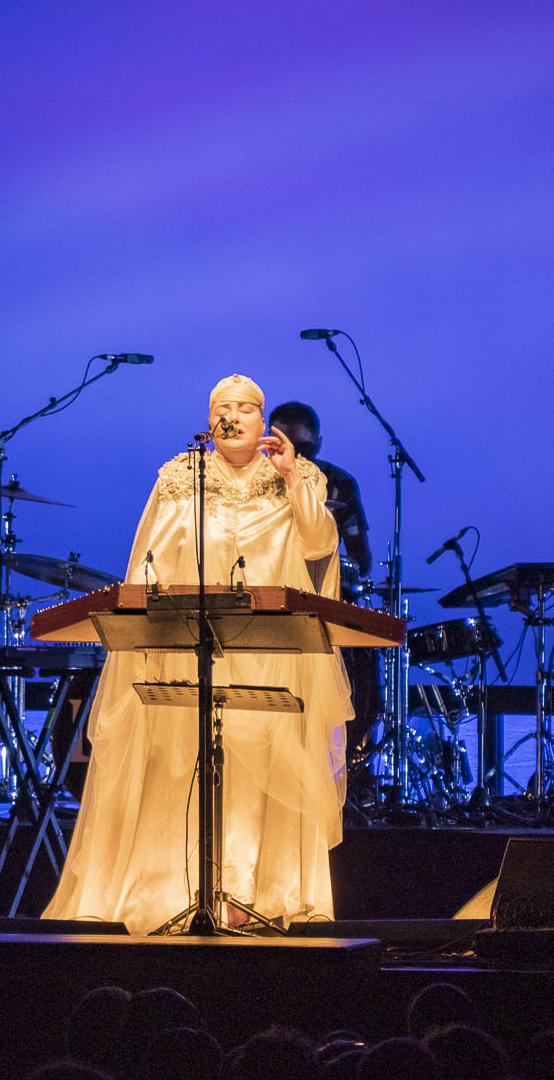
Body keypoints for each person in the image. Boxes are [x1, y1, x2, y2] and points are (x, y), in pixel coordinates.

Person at [43, 375, 350, 933]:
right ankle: (179, 890)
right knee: (182, 766)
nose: (232, 416)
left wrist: (289, 475)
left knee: (259, 778)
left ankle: (255, 892)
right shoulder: (180, 474)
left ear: (265, 421)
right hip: (189, 648)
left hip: (268, 652)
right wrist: (143, 635)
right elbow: (147, 560)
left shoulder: (299, 475)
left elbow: (319, 544)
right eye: (221, 408)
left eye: (245, 408)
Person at [269, 400, 382, 772]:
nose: (294, 455)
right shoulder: (254, 482)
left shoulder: (339, 484)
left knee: (357, 697)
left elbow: (361, 559)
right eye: (281, 443)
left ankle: (342, 771)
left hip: (327, 609)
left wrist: (331, 562)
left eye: (304, 448)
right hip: (272, 612)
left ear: (318, 444)